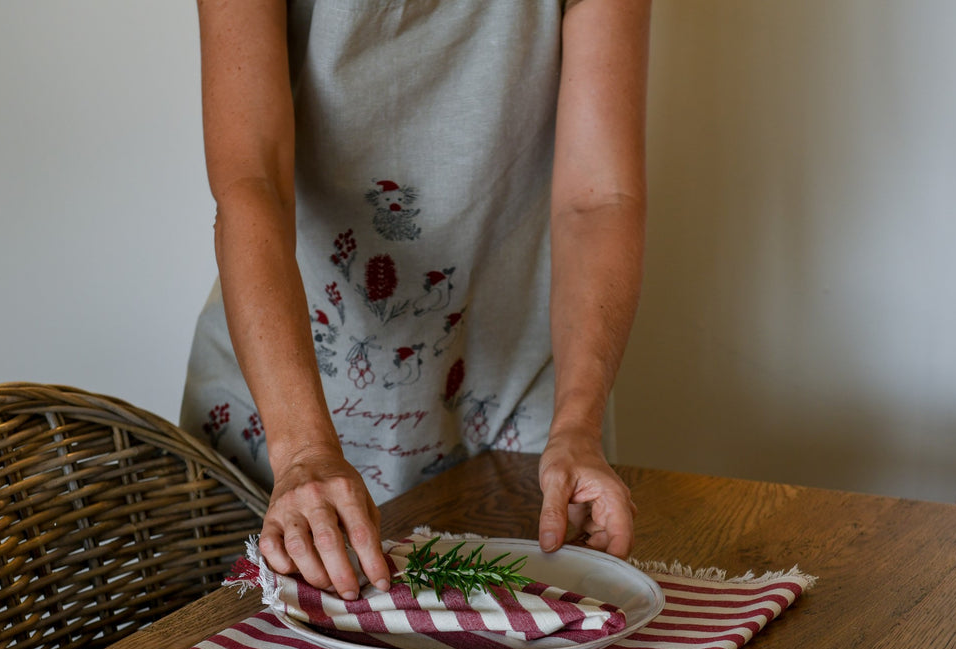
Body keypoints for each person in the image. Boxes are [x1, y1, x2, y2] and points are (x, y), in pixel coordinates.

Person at [181, 0, 651, 600]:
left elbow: (598, 200)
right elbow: (253, 183)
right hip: (282, 412)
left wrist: (577, 426)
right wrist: (302, 449)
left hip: (509, 406)